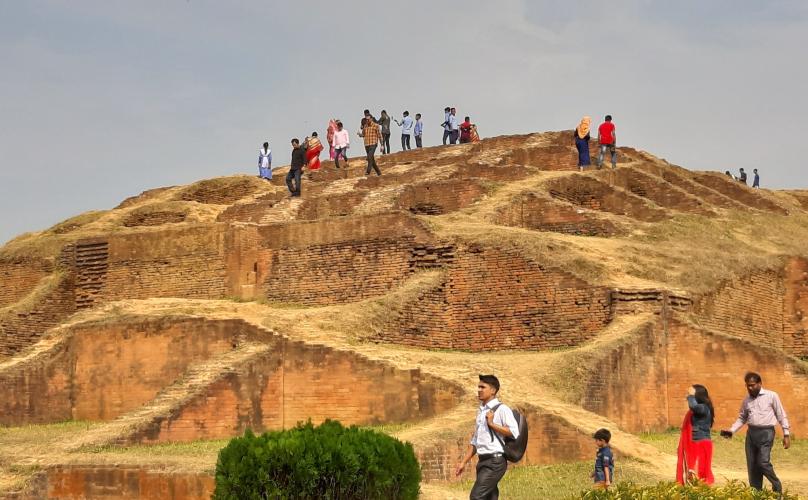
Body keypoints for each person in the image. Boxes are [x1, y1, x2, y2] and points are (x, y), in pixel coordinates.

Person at [721, 372, 791, 494]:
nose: (750, 388)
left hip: (766, 432)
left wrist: (786, 434)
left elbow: (781, 414)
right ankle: (756, 493)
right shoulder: (746, 400)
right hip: (751, 434)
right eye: (747, 385)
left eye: (752, 385)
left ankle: (776, 485)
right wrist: (732, 430)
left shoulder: (771, 396)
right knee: (752, 466)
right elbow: (742, 418)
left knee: (763, 462)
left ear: (759, 384)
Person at [455, 375, 520, 500]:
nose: (479, 390)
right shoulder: (481, 412)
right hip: (483, 461)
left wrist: (492, 424)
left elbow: (514, 432)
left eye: (482, 387)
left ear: (493, 391)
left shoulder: (502, 409)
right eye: (478, 387)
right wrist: (463, 462)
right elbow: (475, 441)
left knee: (476, 496)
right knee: (490, 497)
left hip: (495, 462)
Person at [676, 384, 715, 485]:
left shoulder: (703, 408)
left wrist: (691, 396)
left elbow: (693, 406)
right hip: (695, 444)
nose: (687, 396)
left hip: (701, 444)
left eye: (689, 394)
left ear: (698, 395)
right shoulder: (698, 410)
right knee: (693, 475)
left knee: (699, 475)